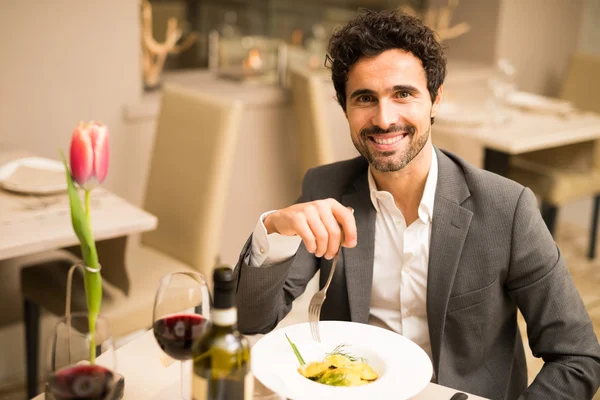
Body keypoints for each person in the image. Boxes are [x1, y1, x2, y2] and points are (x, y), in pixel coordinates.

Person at [233, 9, 600, 399]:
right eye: (365, 98)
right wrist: (274, 228)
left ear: (435, 100)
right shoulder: (325, 187)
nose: (384, 118)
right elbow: (252, 318)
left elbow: (578, 358)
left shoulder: (507, 210)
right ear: (345, 109)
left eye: (403, 94)